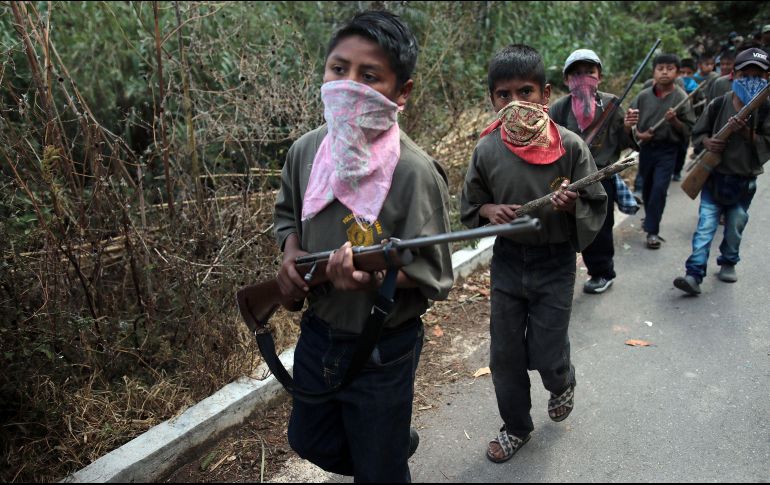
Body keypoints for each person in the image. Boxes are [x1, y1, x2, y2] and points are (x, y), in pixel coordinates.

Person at [273, 11, 453, 482]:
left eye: (369, 76)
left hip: (383, 345)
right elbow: (288, 216)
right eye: (339, 69)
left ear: (402, 92)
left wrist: (376, 277)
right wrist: (291, 255)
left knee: (378, 471)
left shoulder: (415, 173)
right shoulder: (306, 151)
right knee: (307, 440)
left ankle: (386, 454)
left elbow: (435, 273)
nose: (348, 85)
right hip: (317, 331)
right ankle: (390, 448)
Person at [461, 44, 607, 464]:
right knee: (504, 354)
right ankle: (516, 427)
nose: (514, 103)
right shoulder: (487, 149)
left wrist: (572, 204)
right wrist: (489, 210)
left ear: (545, 94)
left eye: (525, 92)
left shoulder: (571, 146)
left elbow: (595, 201)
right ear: (492, 100)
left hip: (555, 261)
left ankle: (561, 380)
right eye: (503, 95)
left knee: (546, 350)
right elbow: (471, 205)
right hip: (508, 261)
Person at [673, 47, 770, 295]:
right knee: (705, 226)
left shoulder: (766, 109)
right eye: (745, 73)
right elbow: (698, 133)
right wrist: (708, 142)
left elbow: (767, 146)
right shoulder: (718, 104)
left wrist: (746, 133)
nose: (751, 79)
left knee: (736, 224)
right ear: (734, 75)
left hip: (744, 180)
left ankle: (728, 261)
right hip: (714, 177)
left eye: (757, 75)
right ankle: (693, 274)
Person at [549, 49, 637, 294]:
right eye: (577, 74)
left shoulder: (612, 104)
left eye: (589, 72)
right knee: (566, 226)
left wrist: (629, 129)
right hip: (567, 179)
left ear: (599, 76)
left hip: (602, 176)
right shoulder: (559, 108)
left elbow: (622, 142)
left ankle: (602, 272)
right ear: (567, 80)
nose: (583, 78)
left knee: (599, 228)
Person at [627, 53, 696, 249]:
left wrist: (674, 121)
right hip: (647, 149)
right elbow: (629, 123)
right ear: (654, 72)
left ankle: (652, 231)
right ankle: (650, 217)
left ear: (677, 73)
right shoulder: (643, 96)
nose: (664, 72)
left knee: (659, 189)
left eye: (670, 68)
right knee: (647, 188)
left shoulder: (681, 98)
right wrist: (639, 135)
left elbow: (688, 130)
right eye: (660, 68)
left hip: (668, 151)